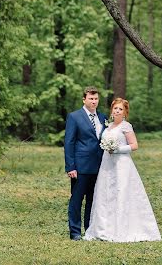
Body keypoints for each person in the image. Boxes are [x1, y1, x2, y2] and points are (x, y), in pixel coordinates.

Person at [84, 98, 161, 243]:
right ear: (112, 110)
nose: (117, 111)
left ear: (125, 112)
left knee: (121, 193)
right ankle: (103, 228)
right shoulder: (108, 125)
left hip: (122, 165)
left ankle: (122, 229)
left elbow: (134, 145)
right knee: (106, 193)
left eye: (120, 109)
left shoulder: (126, 126)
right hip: (107, 164)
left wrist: (117, 149)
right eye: (115, 108)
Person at [64, 86, 106, 240]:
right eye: (91, 99)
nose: (94, 101)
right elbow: (69, 142)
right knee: (76, 199)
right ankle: (75, 232)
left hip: (99, 166)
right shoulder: (75, 117)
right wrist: (71, 167)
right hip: (80, 167)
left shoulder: (102, 117)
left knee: (93, 200)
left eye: (96, 99)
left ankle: (90, 229)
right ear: (84, 99)